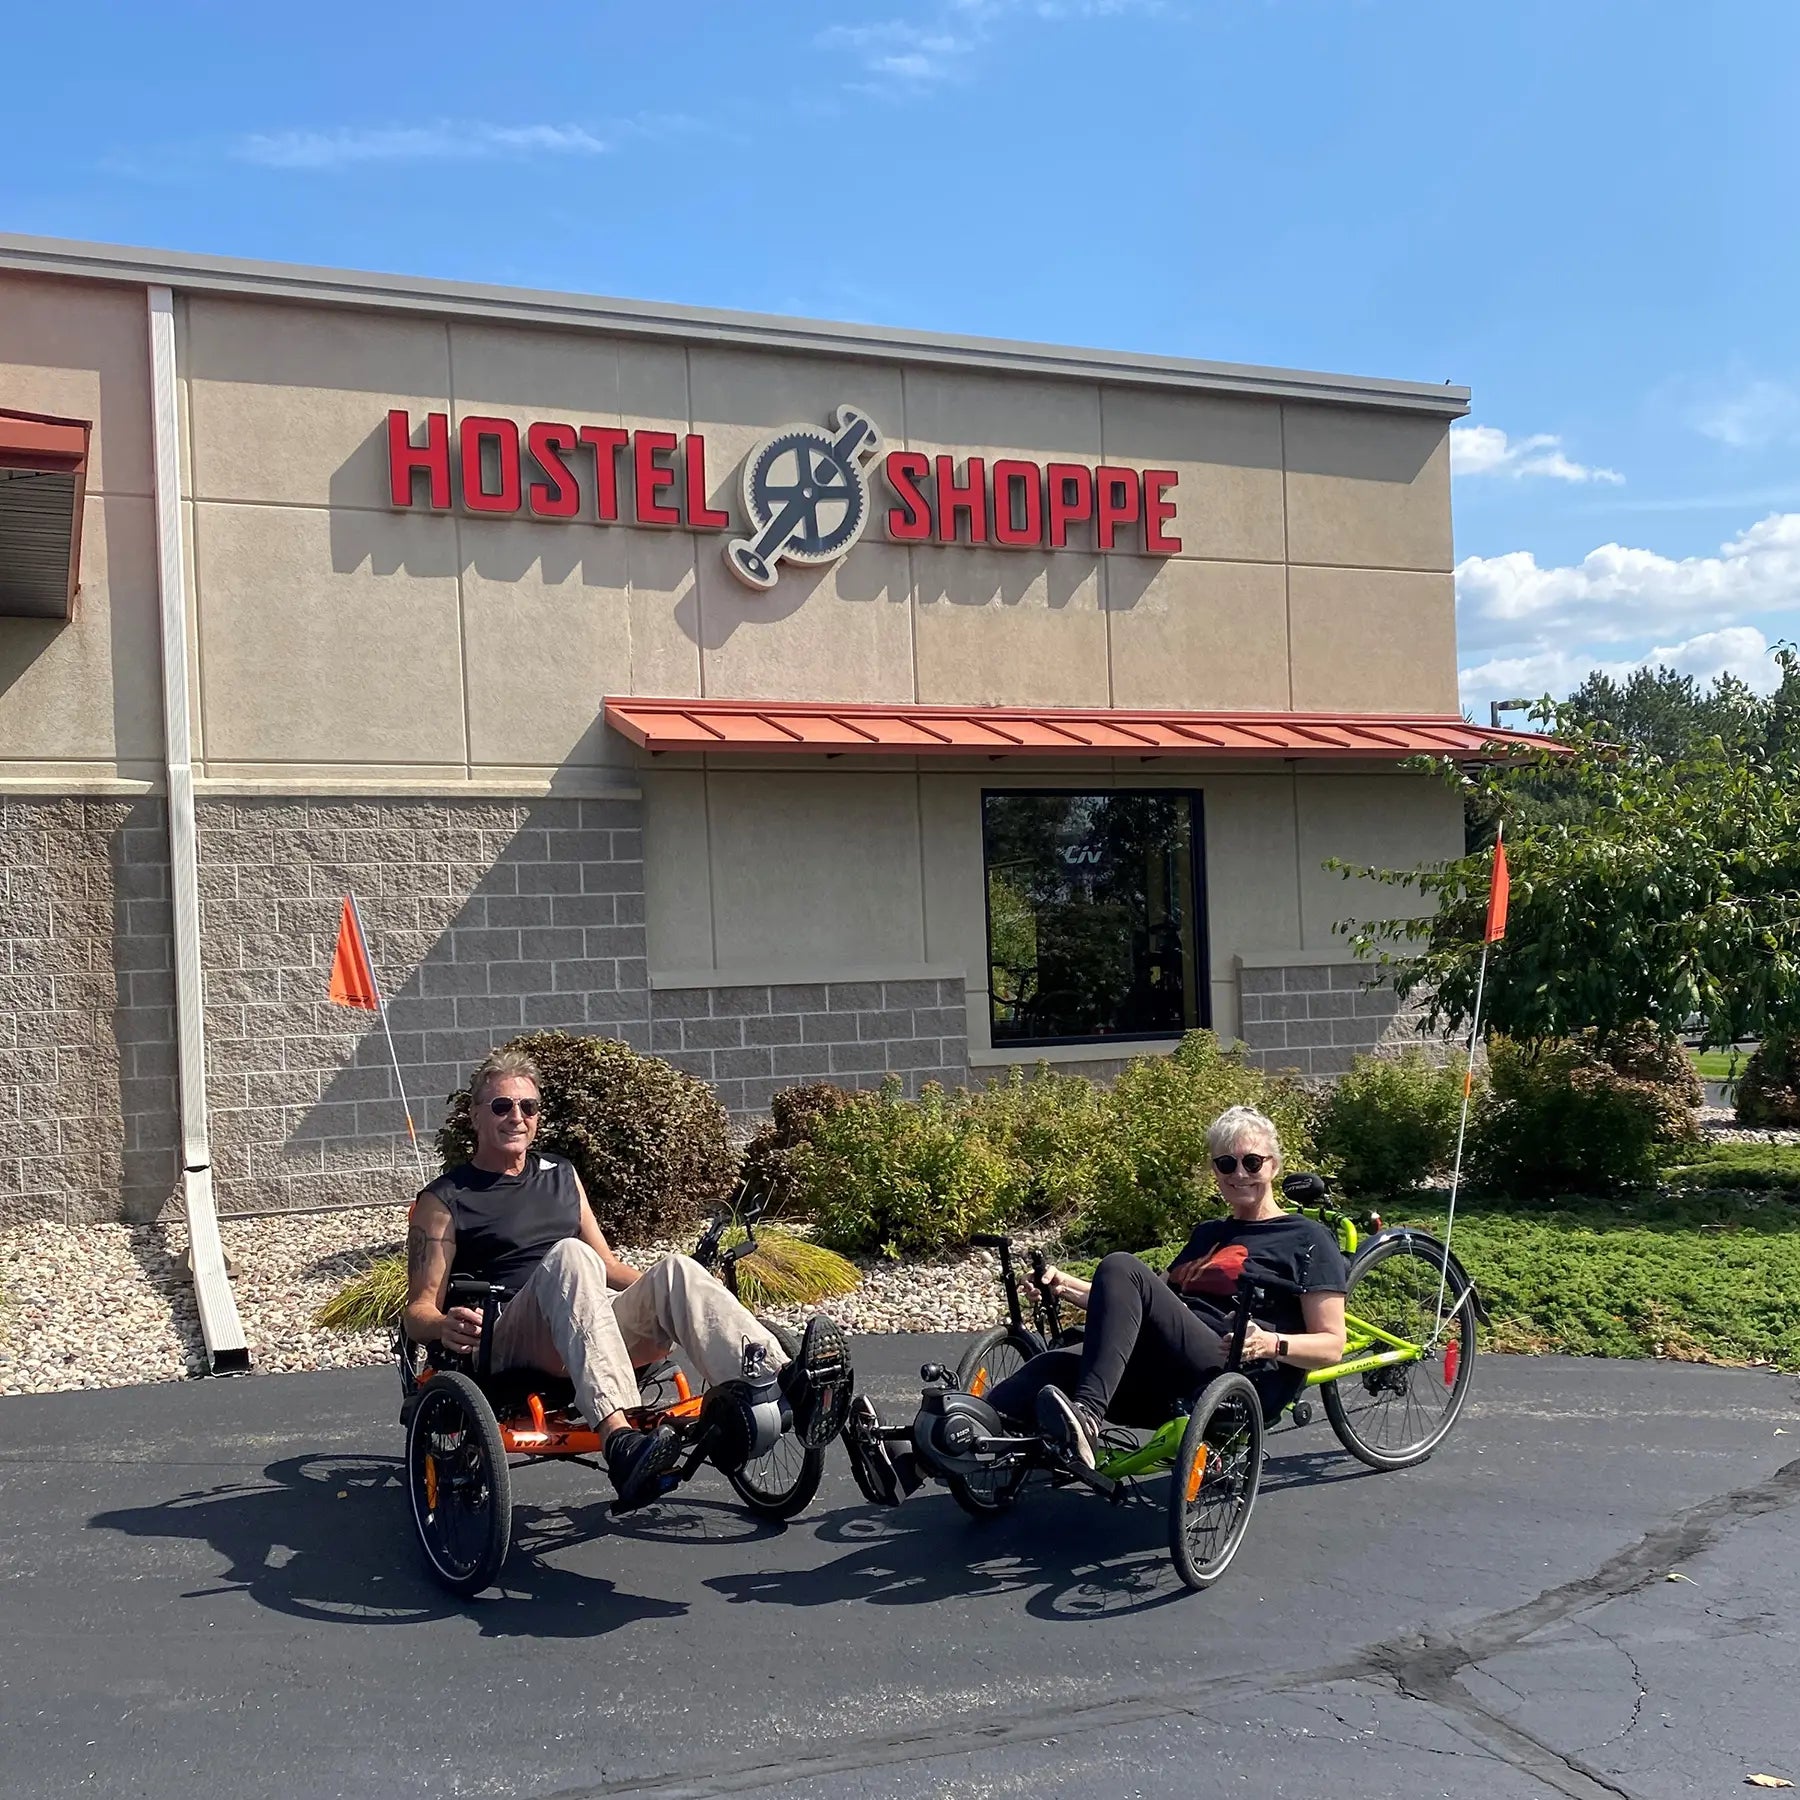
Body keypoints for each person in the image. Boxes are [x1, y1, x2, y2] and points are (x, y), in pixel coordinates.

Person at [403, 1047, 852, 1511]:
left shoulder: (561, 1174)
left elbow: (610, 1266)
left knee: (677, 1270)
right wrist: (441, 1325)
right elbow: (417, 1311)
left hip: (584, 1320)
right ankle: (620, 1441)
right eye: (501, 1106)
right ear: (475, 1116)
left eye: (528, 1107)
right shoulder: (445, 1199)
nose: (516, 1116)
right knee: (571, 1256)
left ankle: (787, 1385)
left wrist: (672, 1297)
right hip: (512, 1336)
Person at [985, 1104, 1347, 1469]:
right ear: (1215, 1171)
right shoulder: (1208, 1234)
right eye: (1226, 1164)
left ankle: (1088, 1418)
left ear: (1274, 1165)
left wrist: (1271, 1343)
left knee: (1120, 1264)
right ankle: (961, 1436)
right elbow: (1134, 1302)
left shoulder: (1305, 1237)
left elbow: (1332, 1343)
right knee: (1052, 1367)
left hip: (1226, 1372)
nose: (1239, 1173)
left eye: (1252, 1162)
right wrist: (1062, 1285)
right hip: (1165, 1381)